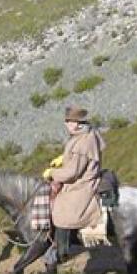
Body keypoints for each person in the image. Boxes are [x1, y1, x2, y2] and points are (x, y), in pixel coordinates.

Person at [43, 105, 105, 263]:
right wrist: (62, 159)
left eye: (69, 121)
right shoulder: (84, 134)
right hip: (80, 177)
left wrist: (52, 173)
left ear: (77, 123)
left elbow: (73, 172)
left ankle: (62, 251)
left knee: (63, 211)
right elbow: (74, 159)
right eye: (66, 121)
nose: (66, 124)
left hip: (82, 183)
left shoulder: (83, 142)